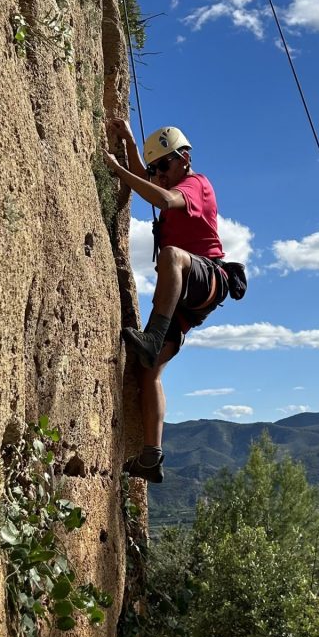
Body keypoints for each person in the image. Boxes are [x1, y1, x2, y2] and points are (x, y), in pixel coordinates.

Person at [102, 121, 228, 483]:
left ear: (183, 159)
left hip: (207, 277)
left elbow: (161, 198)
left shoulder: (195, 184)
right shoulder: (170, 179)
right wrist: (127, 140)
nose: (157, 173)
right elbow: (152, 184)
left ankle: (153, 336)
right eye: (154, 168)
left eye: (162, 166)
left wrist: (116, 169)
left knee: (172, 254)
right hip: (186, 296)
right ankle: (151, 456)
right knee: (149, 369)